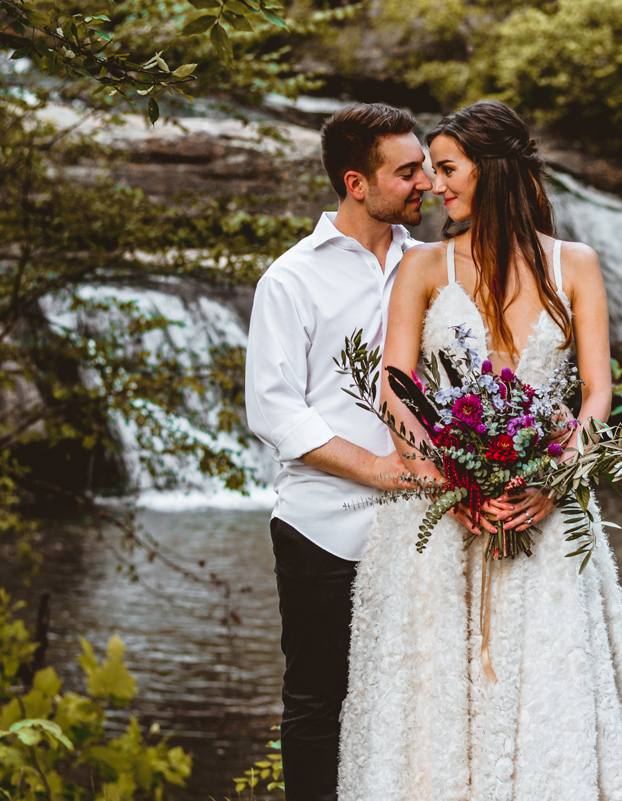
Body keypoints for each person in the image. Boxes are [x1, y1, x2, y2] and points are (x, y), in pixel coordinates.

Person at [338, 100, 622, 800]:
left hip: (543, 504)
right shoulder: (423, 266)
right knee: (438, 686)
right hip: (443, 516)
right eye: (428, 170)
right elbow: (397, 388)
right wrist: (452, 477)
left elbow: (596, 393)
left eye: (447, 168)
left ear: (495, 169)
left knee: (548, 670)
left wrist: (555, 475)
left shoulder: (576, 264)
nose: (432, 184)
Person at [244, 102, 433, 801]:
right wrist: (381, 467)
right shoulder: (290, 279)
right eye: (407, 171)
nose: (426, 183)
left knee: (415, 696)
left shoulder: (434, 267)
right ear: (357, 183)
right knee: (319, 702)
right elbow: (273, 408)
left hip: (423, 526)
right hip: (324, 526)